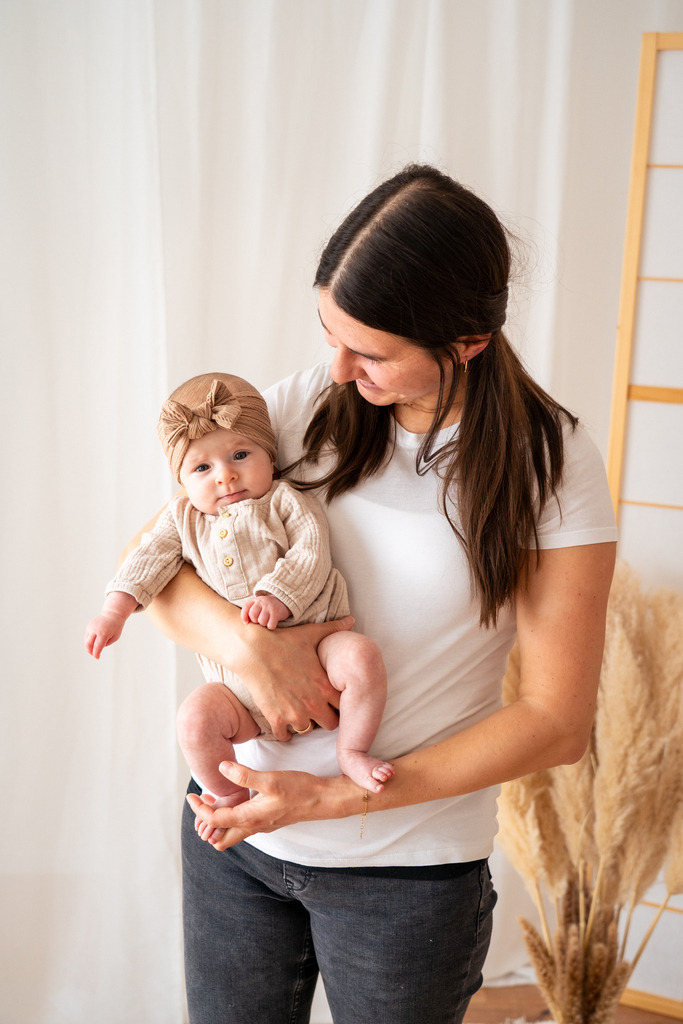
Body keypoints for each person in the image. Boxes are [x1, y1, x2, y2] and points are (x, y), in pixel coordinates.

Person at [127, 164, 618, 1024]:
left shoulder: (551, 463)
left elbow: (557, 720)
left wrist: (333, 795)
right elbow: (151, 563)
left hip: (404, 875)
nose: (339, 367)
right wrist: (255, 654)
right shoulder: (308, 402)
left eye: (373, 351)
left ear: (464, 342)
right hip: (234, 841)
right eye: (329, 332)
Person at [85, 372, 393, 835]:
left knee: (361, 657)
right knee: (194, 719)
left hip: (316, 649)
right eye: (202, 469)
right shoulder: (182, 518)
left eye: (240, 455)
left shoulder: (286, 501)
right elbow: (145, 560)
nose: (225, 475)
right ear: (182, 481)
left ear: (270, 455)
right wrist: (115, 609)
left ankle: (351, 751)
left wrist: (276, 597)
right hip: (238, 692)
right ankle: (230, 797)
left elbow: (311, 556)